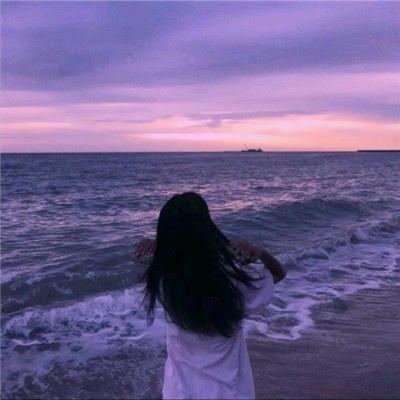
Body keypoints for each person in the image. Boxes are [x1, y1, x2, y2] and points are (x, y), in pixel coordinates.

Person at [134, 192, 286, 399]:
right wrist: (259, 252)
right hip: (230, 392)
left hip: (180, 392)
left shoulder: (163, 281)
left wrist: (162, 247)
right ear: (208, 228)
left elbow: (170, 260)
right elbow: (279, 274)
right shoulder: (231, 279)